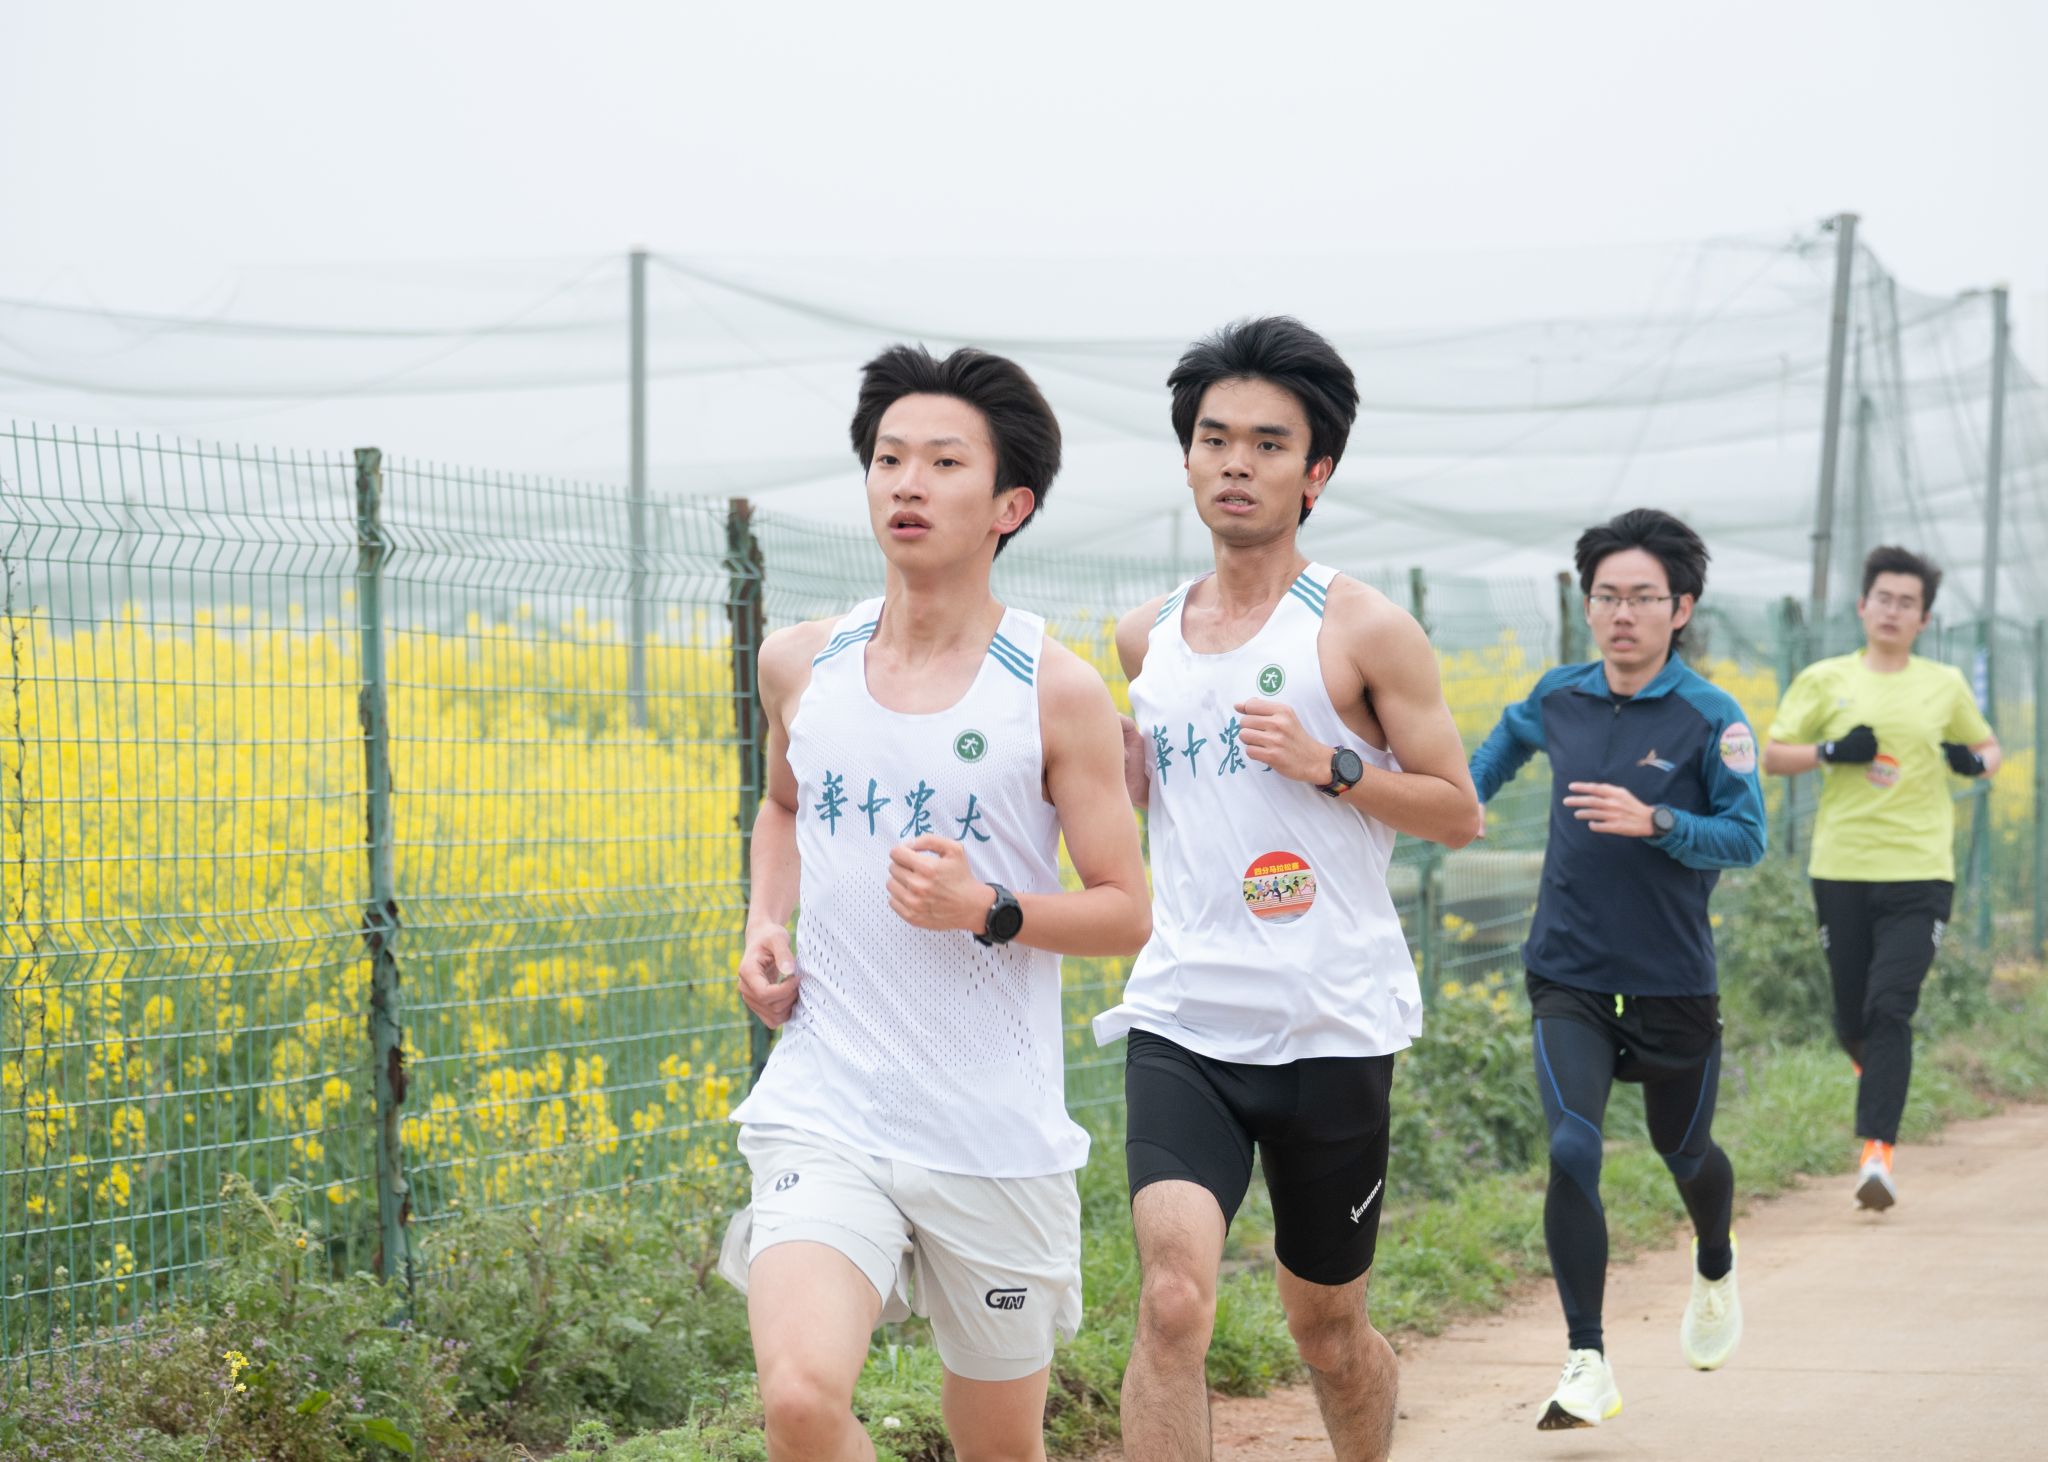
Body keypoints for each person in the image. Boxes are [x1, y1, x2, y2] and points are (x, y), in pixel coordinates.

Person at [723, 343, 1152, 1462]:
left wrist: (988, 908)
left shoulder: (1053, 689)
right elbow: (781, 805)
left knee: (997, 1446)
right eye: (888, 458)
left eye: (944, 462)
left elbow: (1125, 910)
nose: (906, 483)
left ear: (1011, 504)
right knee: (799, 1399)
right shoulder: (799, 664)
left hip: (991, 1133)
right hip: (827, 1103)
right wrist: (765, 922)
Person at [1096, 316, 1483, 1462]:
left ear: (1314, 473)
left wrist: (1333, 766)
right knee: (1173, 1298)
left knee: (1325, 1328)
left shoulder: (1362, 628)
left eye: (1267, 444)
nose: (1235, 463)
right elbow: (1166, 803)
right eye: (1213, 439)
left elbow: (1456, 810)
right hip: (1185, 1012)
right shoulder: (1143, 638)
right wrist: (1128, 783)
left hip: (1329, 1021)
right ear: (1186, 459)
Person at [1469, 508, 1766, 1429]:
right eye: (1606, 596)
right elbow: (1492, 757)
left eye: (1642, 597)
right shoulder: (1559, 695)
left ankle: (1714, 1261)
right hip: (1570, 971)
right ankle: (1587, 1360)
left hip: (1673, 979)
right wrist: (1452, 804)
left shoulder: (1712, 717)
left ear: (1681, 608)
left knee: (1687, 1154)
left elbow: (1748, 837)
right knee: (1572, 1148)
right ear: (1588, 605)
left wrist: (1659, 822)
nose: (1622, 614)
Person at [1762, 545, 2000, 1210]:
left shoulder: (1943, 684)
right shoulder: (1824, 678)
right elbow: (1774, 755)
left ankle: (1877, 1156)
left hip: (1920, 871)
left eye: (1908, 603)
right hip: (1841, 868)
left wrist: (1971, 762)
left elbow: (1989, 749)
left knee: (1889, 1006)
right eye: (1884, 599)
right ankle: (1884, 1076)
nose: (1894, 611)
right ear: (1863, 606)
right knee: (1851, 1019)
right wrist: (1831, 751)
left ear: (1924, 619)